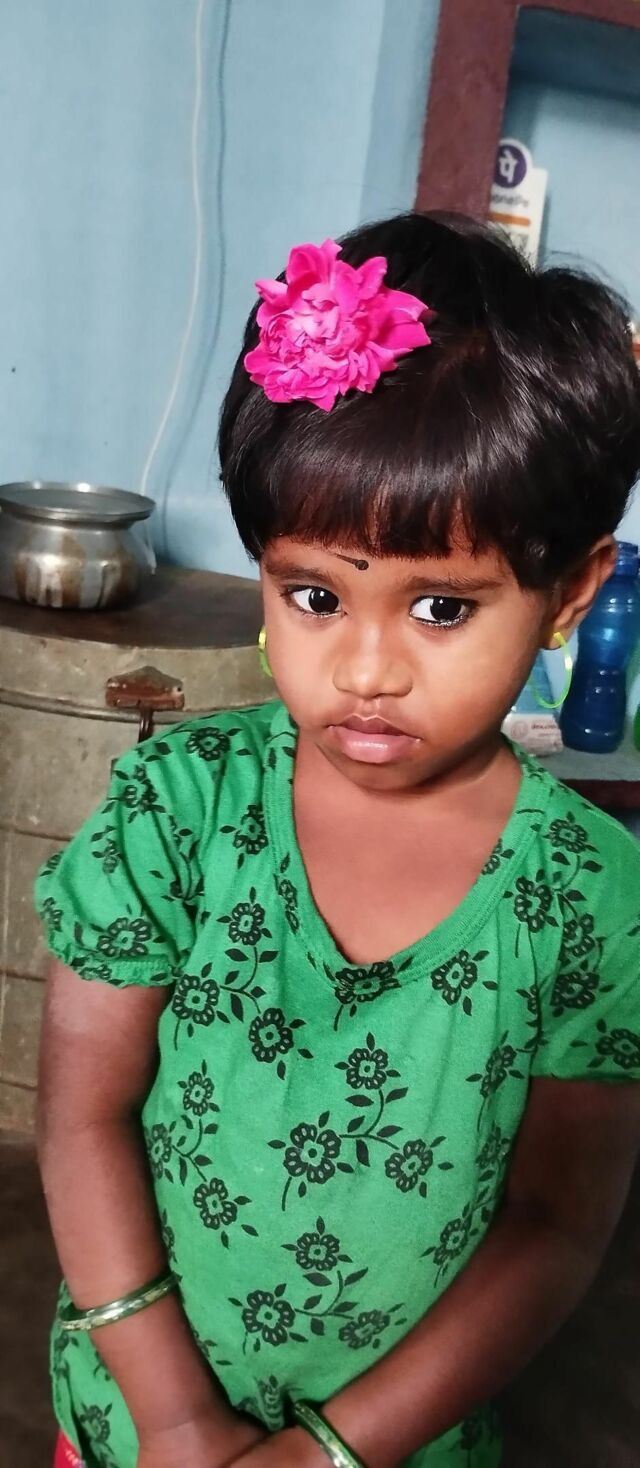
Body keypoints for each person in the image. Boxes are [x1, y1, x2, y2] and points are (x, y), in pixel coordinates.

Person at [36, 212, 640, 1468]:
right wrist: (176, 1419)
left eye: (441, 607)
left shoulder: (590, 899)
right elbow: (84, 1116)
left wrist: (324, 1455)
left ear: (571, 592)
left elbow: (552, 1227)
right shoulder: (180, 809)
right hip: (132, 1423)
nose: (365, 669)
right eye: (315, 594)